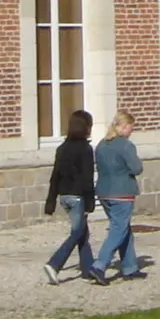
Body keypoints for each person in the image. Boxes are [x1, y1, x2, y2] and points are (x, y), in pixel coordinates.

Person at [43, 109, 103, 285]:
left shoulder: (62, 148)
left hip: (64, 196)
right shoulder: (85, 149)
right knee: (77, 233)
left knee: (82, 232)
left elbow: (55, 176)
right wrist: (90, 204)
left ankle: (87, 268)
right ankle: (54, 264)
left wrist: (51, 201)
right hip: (77, 197)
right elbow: (87, 178)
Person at [93, 110, 145, 281]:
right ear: (123, 126)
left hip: (103, 192)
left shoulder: (101, 144)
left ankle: (130, 267)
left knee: (123, 228)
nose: (131, 131)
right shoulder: (125, 145)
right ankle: (100, 265)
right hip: (122, 192)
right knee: (118, 229)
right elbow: (136, 168)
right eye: (131, 127)